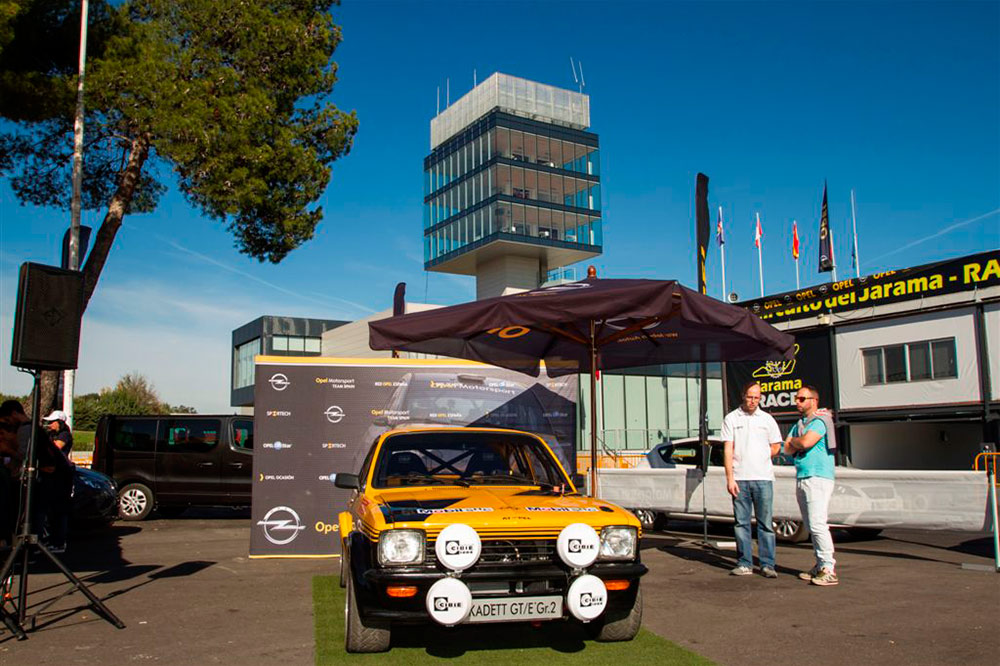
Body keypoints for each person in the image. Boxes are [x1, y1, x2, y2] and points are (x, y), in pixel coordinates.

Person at [721, 381, 783, 578]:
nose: (753, 401)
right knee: (741, 524)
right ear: (743, 396)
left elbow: (776, 446)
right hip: (740, 479)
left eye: (757, 397)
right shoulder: (732, 418)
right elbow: (728, 449)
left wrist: (761, 456)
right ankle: (745, 563)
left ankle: (767, 564)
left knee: (766, 524)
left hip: (763, 478)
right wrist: (730, 478)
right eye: (750, 397)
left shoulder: (767, 419)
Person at [784, 385, 838, 586]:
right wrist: (795, 442)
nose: (797, 402)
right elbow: (787, 448)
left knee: (817, 523)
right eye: (796, 398)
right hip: (803, 476)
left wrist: (795, 442)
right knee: (810, 525)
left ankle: (828, 568)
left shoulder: (820, 421)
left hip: (818, 476)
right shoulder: (799, 424)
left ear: (814, 401)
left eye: (801, 399)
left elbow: (805, 443)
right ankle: (820, 564)